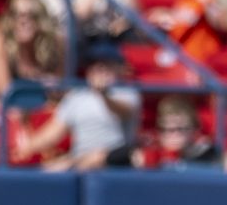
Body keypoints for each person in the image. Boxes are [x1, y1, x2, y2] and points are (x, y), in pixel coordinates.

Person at [12, 42, 139, 171]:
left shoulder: (127, 93)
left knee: (94, 158)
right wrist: (27, 147)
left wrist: (103, 95)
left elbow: (124, 111)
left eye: (106, 63)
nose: (99, 68)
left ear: (119, 67)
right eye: (94, 64)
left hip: (115, 162)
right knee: (47, 170)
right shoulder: (76, 97)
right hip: (80, 163)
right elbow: (52, 133)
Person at [0, 0, 64, 109]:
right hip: (6, 111)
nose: (23, 21)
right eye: (16, 15)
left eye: (31, 15)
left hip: (41, 109)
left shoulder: (54, 43)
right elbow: (6, 95)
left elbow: (59, 93)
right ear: (9, 19)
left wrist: (53, 87)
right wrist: (42, 85)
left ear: (40, 20)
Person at [137, 95, 219, 170]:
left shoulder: (209, 156)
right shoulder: (148, 155)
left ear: (195, 130)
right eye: (167, 129)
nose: (174, 135)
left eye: (180, 129)